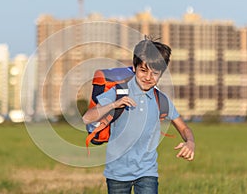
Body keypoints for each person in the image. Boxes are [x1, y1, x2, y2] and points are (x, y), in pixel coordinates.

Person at [82, 36, 195, 194]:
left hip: (147, 172)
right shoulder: (118, 92)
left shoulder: (161, 100)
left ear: (161, 74)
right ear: (134, 68)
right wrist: (114, 104)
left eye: (155, 73)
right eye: (143, 71)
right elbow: (87, 117)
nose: (148, 77)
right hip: (117, 173)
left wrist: (190, 142)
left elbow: (184, 128)